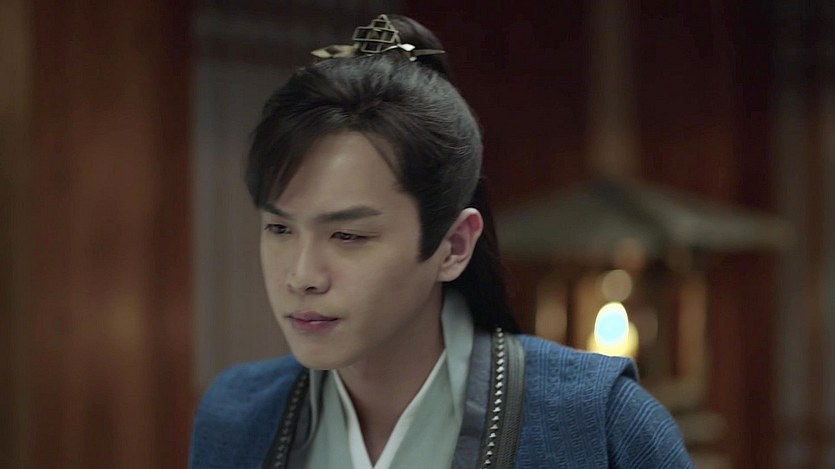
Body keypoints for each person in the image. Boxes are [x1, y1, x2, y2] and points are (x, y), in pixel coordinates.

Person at [189, 14, 694, 469]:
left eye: (347, 235)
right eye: (280, 229)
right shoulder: (238, 415)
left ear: (453, 246)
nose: (301, 276)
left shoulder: (599, 420)